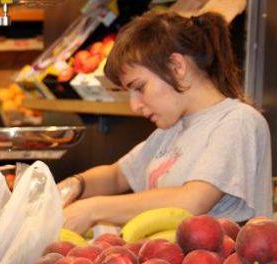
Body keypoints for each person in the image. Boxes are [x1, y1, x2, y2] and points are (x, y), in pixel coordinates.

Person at [59, 11, 272, 234]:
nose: (135, 105)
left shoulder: (237, 122)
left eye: (140, 88)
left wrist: (94, 209)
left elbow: (192, 201)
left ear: (177, 66)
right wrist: (75, 185)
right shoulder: (171, 129)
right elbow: (116, 175)